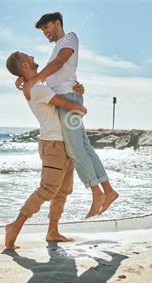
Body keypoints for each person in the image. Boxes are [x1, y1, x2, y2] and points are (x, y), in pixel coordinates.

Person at [17, 12, 119, 219]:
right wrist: (23, 80)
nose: (44, 32)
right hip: (68, 96)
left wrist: (33, 78)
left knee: (75, 149)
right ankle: (107, 191)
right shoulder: (55, 48)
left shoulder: (69, 37)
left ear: (57, 23)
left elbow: (60, 63)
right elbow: (52, 78)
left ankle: (97, 192)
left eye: (46, 27)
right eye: (42, 29)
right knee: (84, 147)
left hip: (68, 99)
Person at [4, 51, 86, 250]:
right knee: (47, 189)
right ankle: (14, 227)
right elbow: (64, 103)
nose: (32, 56)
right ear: (24, 64)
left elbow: (60, 85)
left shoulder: (37, 84)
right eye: (28, 57)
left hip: (63, 141)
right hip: (53, 144)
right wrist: (80, 106)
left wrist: (78, 90)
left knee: (63, 190)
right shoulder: (38, 89)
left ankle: (53, 230)